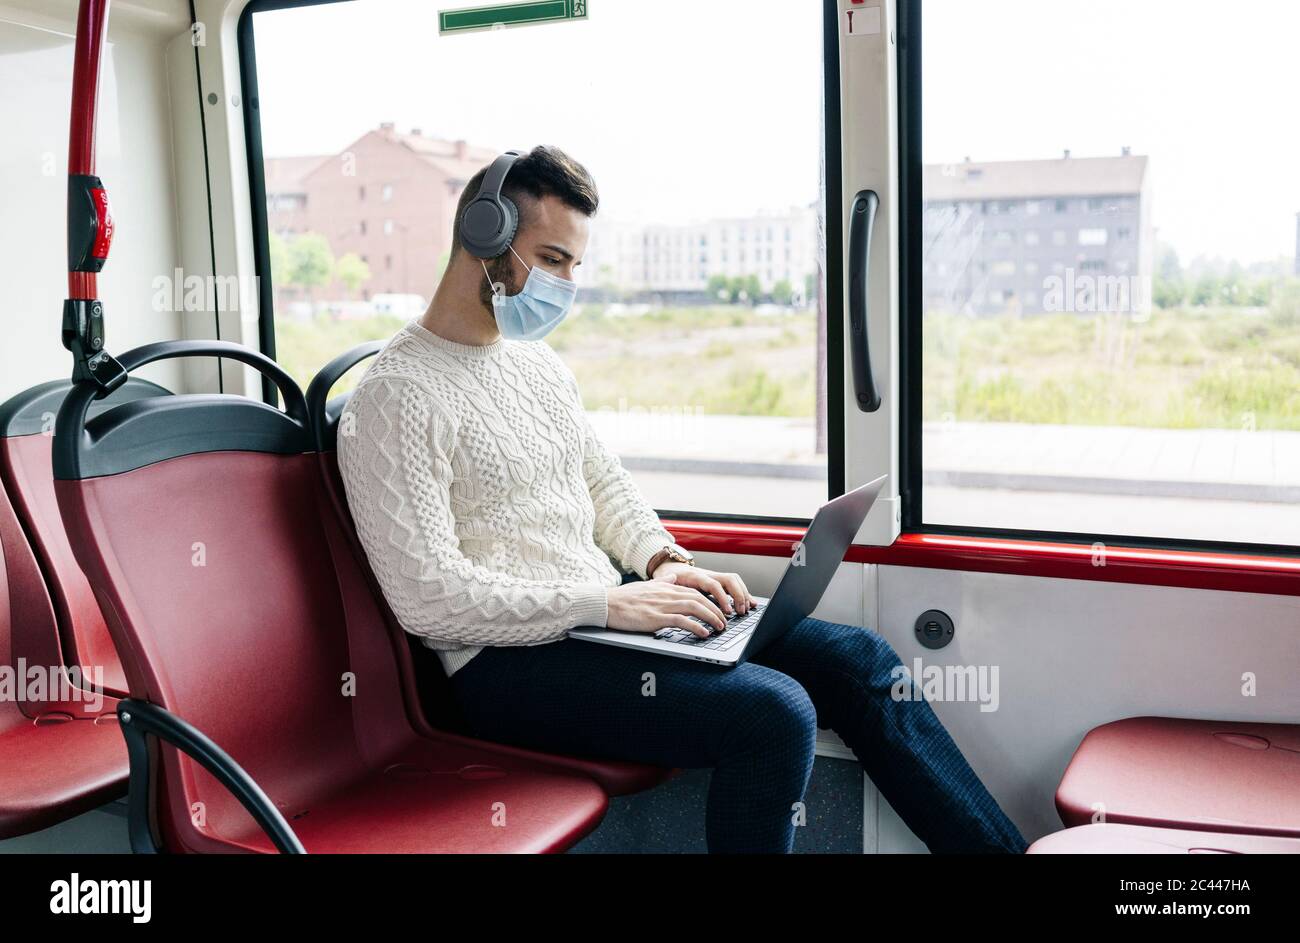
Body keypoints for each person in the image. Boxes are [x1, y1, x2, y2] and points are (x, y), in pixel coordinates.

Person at [337, 145, 1026, 854]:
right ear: (484, 238)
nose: (567, 284)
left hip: (596, 621)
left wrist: (662, 561)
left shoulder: (536, 365)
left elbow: (604, 485)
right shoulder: (394, 397)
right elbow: (427, 597)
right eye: (551, 258)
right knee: (774, 713)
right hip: (502, 667)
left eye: (575, 264)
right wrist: (607, 605)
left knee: (860, 659)